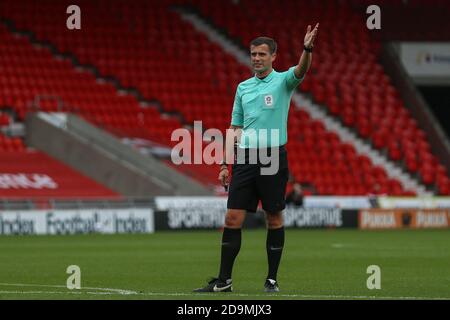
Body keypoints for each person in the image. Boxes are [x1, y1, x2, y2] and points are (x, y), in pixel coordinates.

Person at [194, 23, 319, 293]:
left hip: (273, 157)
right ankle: (224, 281)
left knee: (273, 218)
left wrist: (307, 48)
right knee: (232, 219)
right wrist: (225, 164)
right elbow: (234, 128)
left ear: (273, 57)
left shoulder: (284, 81)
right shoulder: (243, 88)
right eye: (253, 54)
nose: (256, 58)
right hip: (245, 158)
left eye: (262, 54)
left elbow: (302, 70)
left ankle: (271, 279)